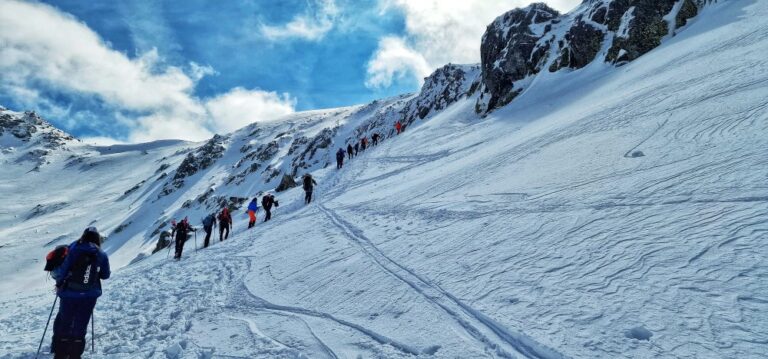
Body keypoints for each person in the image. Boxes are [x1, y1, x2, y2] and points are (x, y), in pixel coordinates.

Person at [51, 227, 110, 359]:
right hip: (89, 295)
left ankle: (60, 353)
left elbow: (63, 270)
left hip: (69, 293)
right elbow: (106, 275)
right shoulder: (101, 253)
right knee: (81, 323)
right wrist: (95, 274)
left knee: (65, 321)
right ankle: (75, 354)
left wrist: (59, 283)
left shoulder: (74, 249)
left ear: (84, 236)